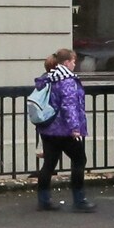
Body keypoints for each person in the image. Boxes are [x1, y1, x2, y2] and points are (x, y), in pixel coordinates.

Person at [32, 48, 94, 213]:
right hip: (65, 131)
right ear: (66, 62)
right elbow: (69, 106)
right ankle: (79, 200)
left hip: (48, 128)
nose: (75, 64)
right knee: (79, 161)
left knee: (49, 164)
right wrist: (75, 128)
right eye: (74, 61)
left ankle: (44, 201)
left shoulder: (48, 78)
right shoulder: (67, 80)